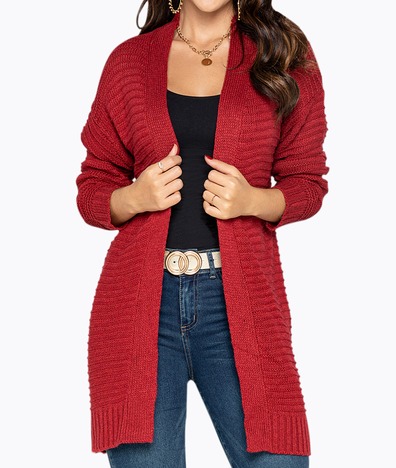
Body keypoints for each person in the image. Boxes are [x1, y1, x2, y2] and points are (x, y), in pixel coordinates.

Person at [76, 0, 329, 466]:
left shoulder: (283, 54)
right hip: (140, 308)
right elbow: (93, 187)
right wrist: (135, 197)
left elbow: (307, 182)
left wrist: (253, 201)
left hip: (240, 304)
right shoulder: (129, 62)